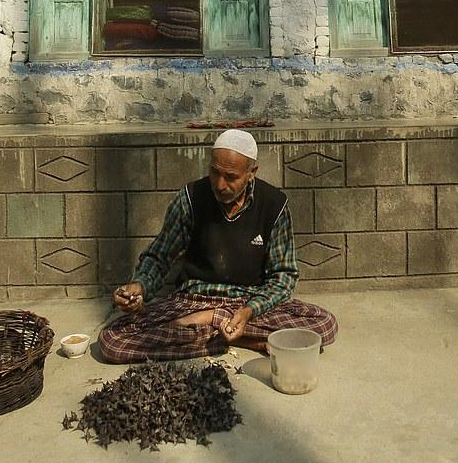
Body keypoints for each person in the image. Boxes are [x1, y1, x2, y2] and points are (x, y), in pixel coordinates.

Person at [97, 129, 338, 363]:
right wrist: (140, 285)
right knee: (113, 342)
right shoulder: (190, 198)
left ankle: (211, 329)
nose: (220, 185)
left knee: (324, 325)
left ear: (252, 172)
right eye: (215, 172)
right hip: (193, 301)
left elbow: (283, 277)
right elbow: (159, 257)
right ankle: (236, 336)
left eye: (231, 177)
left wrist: (247, 311)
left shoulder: (274, 205)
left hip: (248, 301)